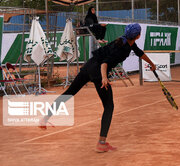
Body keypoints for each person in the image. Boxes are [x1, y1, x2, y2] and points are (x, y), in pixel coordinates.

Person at [39, 23, 156, 153]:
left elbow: (139, 53)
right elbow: (105, 62)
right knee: (109, 106)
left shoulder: (126, 41)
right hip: (99, 71)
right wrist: (104, 78)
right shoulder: (122, 47)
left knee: (69, 93)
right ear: (138, 36)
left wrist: (152, 64)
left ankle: (45, 118)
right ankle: (101, 143)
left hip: (89, 66)